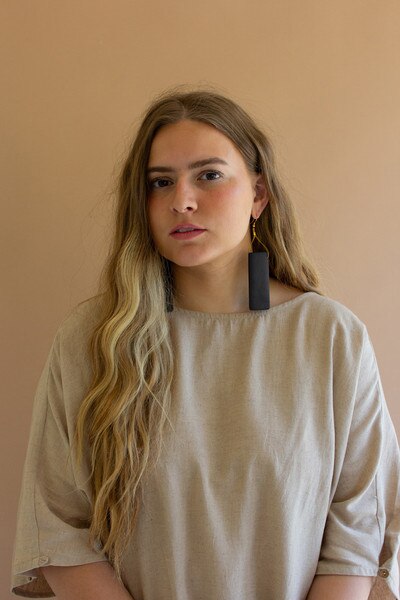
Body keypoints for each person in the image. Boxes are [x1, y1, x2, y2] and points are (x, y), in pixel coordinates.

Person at [11, 89, 400, 600]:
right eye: (161, 182)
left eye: (209, 175)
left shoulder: (330, 338)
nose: (182, 200)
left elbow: (360, 531)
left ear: (259, 195)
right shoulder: (93, 339)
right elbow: (60, 530)